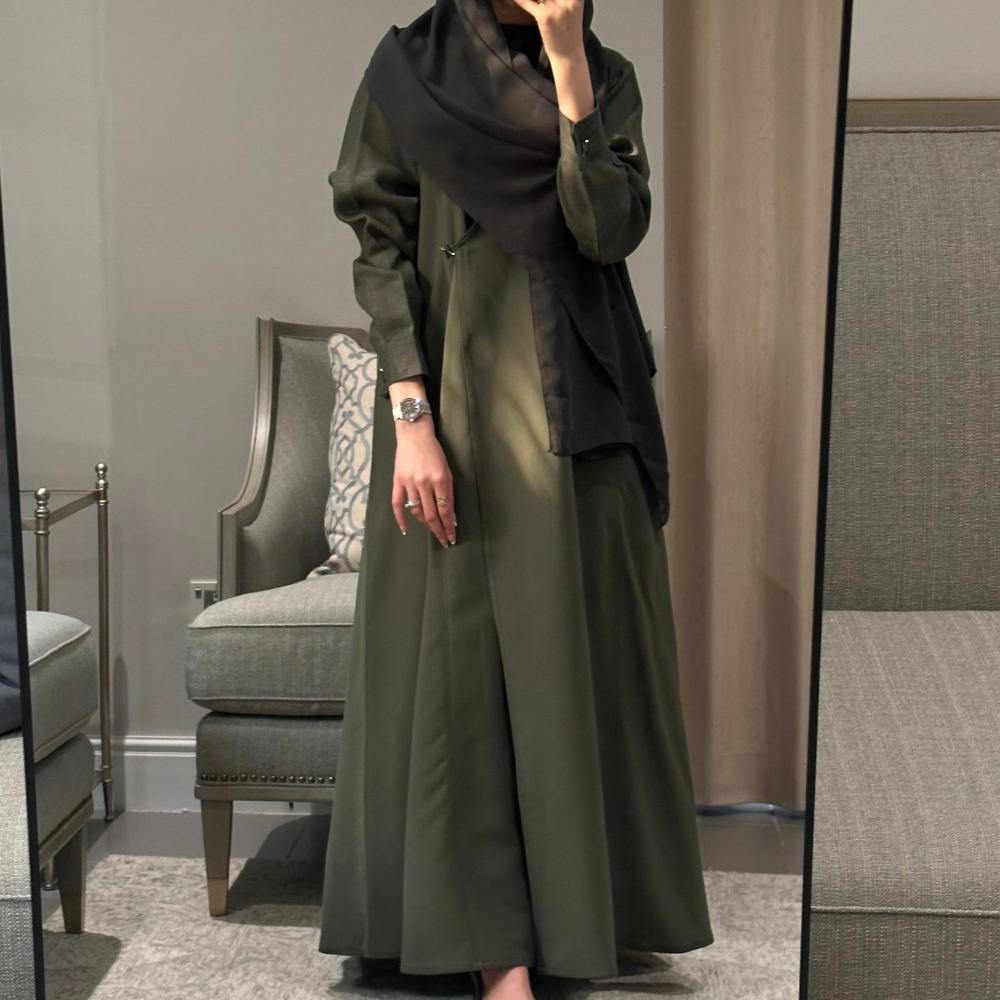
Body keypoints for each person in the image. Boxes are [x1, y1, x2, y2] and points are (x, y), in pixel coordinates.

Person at [317, 1, 715, 997]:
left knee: (578, 657)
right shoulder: (409, 68)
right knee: (471, 666)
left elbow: (606, 229)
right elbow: (378, 242)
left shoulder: (606, 72)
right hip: (455, 397)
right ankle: (496, 953)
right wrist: (412, 416)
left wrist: (570, 60)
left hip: (585, 399)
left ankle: (588, 919)